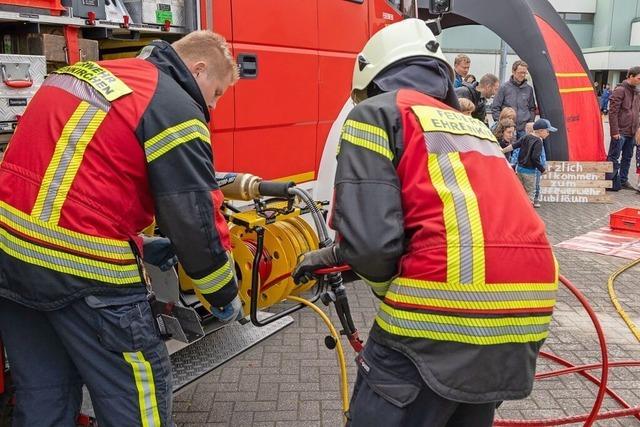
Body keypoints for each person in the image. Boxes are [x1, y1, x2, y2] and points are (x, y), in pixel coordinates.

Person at [292, 19, 558, 427]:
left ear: (371, 76)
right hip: (527, 310)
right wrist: (336, 254)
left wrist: (388, 289)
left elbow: (372, 246)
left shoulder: (375, 114)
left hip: (439, 315)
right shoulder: (472, 128)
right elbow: (445, 218)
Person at [0, 31, 243, 426]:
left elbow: (69, 179)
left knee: (44, 393)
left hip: (11, 261)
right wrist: (222, 293)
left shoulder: (86, 74)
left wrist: (139, 242)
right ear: (197, 69)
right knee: (137, 392)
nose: (212, 106)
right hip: (87, 276)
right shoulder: (173, 106)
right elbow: (193, 216)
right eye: (216, 92)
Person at [504, 118, 555, 208]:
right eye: (547, 131)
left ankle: (517, 209)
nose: (548, 133)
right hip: (529, 172)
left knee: (520, 191)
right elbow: (535, 158)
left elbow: (514, 146)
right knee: (530, 193)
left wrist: (503, 150)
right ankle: (528, 212)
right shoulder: (538, 141)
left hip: (519, 170)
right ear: (540, 131)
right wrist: (542, 170)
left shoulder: (526, 137)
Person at [607, 66, 640, 191]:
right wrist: (614, 131)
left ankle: (623, 180)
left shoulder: (637, 91)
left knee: (627, 157)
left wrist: (637, 128)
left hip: (632, 131)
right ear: (630, 76)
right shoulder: (620, 90)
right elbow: (612, 112)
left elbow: (637, 112)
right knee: (613, 156)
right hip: (620, 131)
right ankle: (610, 181)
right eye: (638, 78)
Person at [491, 60, 536, 139]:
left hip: (524, 129)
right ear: (513, 71)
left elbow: (532, 108)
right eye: (520, 72)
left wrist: (530, 122)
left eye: (524, 73)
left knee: (524, 150)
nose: (522, 75)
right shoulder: (504, 88)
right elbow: (495, 107)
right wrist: (502, 124)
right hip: (508, 129)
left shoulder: (529, 89)